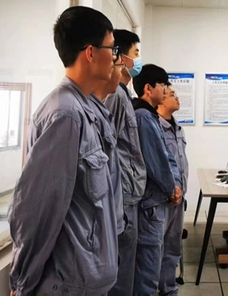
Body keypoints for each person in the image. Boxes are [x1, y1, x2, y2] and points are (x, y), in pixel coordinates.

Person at [8, 6, 120, 296]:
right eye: (112, 48)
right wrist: (22, 282)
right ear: (91, 52)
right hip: (68, 283)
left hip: (85, 279)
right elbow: (37, 208)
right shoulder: (66, 115)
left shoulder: (85, 108)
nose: (115, 57)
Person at [132, 64, 182, 296]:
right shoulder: (143, 117)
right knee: (147, 271)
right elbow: (157, 161)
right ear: (148, 89)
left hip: (157, 201)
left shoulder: (150, 116)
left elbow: (167, 156)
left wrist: (175, 185)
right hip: (150, 204)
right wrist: (171, 188)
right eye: (162, 85)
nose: (165, 89)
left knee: (155, 261)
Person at [105, 29, 147, 296]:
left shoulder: (123, 95)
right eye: (136, 53)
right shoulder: (115, 97)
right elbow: (108, 150)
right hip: (123, 197)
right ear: (119, 56)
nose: (138, 60)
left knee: (128, 268)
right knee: (122, 274)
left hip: (129, 195)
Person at [89, 45, 126, 240]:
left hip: (110, 221)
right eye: (119, 65)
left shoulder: (102, 112)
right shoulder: (69, 114)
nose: (121, 71)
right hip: (96, 230)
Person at [157, 86, 190, 296]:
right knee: (156, 248)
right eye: (171, 95)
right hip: (164, 198)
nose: (176, 97)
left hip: (179, 197)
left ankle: (169, 289)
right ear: (160, 100)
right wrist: (170, 188)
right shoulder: (155, 128)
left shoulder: (178, 128)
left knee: (173, 247)